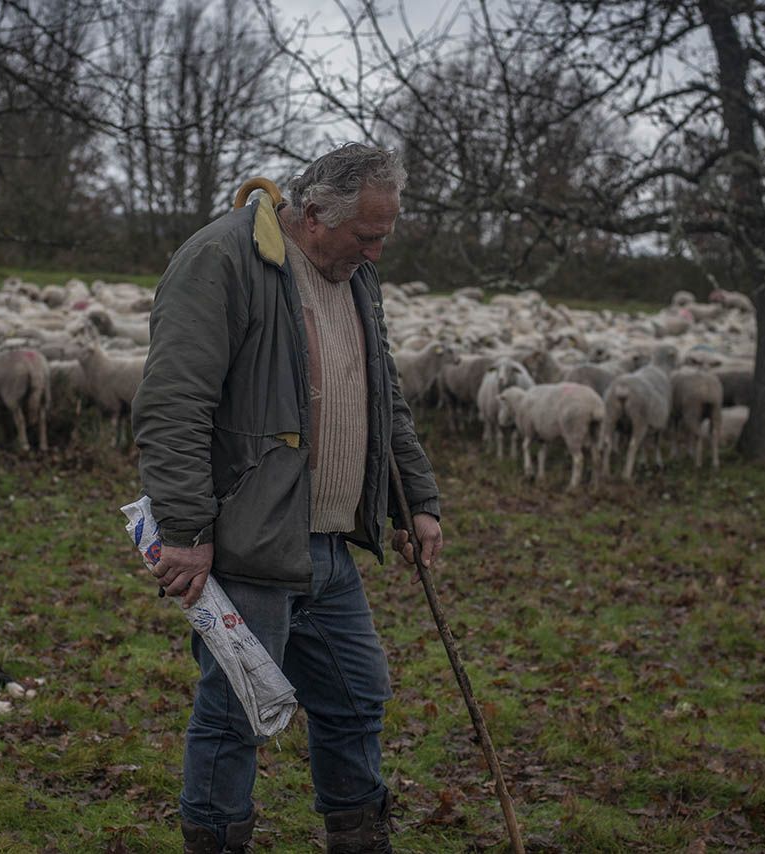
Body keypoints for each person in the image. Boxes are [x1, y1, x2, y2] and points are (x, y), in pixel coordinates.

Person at [131, 143, 444, 854]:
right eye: (368, 236)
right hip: (249, 542)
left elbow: (380, 392)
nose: (377, 252)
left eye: (384, 236)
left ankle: (359, 840)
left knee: (357, 696)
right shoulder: (224, 259)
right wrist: (183, 529)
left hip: (328, 547)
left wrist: (414, 498)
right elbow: (174, 404)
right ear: (312, 215)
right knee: (234, 714)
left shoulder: (356, 276)